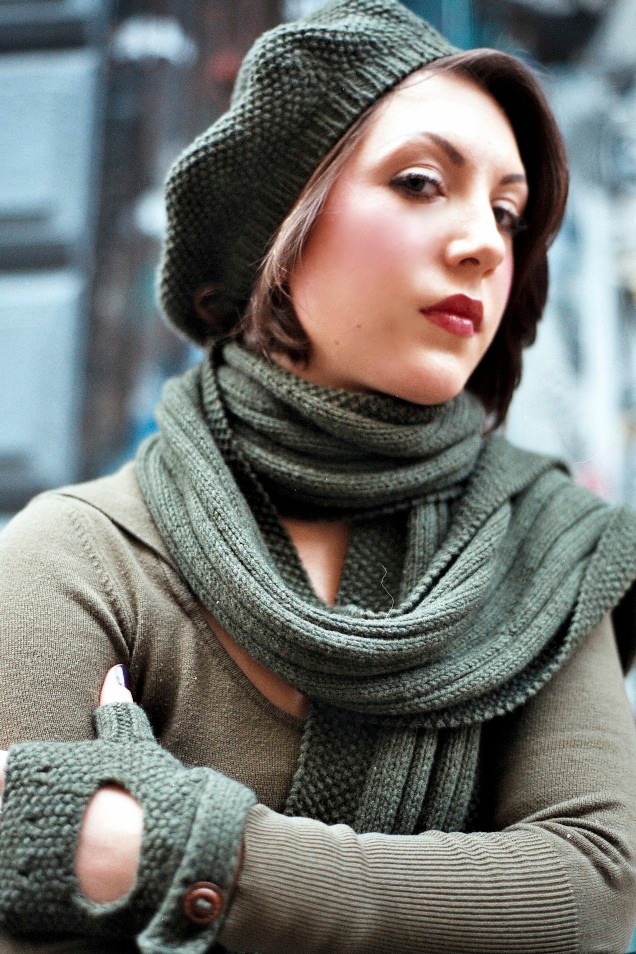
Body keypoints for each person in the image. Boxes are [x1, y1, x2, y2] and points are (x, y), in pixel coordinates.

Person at [1, 0, 636, 951]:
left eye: (507, 212)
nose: (485, 243)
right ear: (280, 233)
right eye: (422, 182)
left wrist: (184, 848)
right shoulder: (82, 555)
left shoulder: (547, 558)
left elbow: (587, 894)